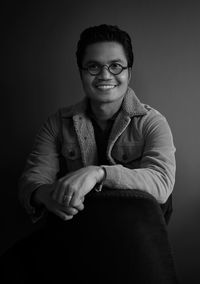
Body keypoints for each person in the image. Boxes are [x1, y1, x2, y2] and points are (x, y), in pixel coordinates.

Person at [1, 24, 177, 283]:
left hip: (136, 240)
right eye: (94, 66)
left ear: (129, 72)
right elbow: (31, 182)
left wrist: (98, 173)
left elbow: (162, 183)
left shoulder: (153, 122)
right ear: (82, 72)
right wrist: (48, 196)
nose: (105, 75)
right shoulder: (57, 123)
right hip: (78, 234)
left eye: (116, 66)